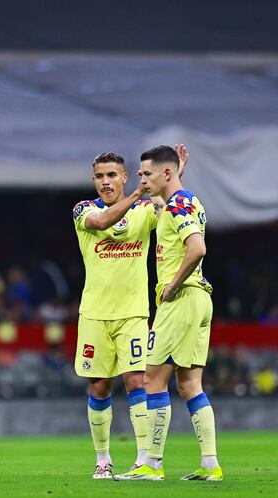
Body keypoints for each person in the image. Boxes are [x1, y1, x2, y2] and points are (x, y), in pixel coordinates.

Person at [73, 149, 188, 479]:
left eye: (112, 175)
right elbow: (103, 222)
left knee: (137, 380)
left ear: (124, 177)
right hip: (94, 314)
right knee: (99, 386)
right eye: (99, 176)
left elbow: (173, 210)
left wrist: (173, 175)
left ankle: (142, 459)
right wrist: (140, 192)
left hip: (134, 313)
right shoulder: (83, 210)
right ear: (93, 180)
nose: (105, 182)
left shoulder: (147, 211)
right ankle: (103, 459)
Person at [114, 145, 222, 481]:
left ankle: (152, 464)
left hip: (182, 299)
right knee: (189, 384)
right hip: (201, 299)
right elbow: (175, 200)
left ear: (165, 173)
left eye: (146, 173)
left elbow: (198, 247)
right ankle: (210, 465)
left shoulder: (175, 204)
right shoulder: (188, 199)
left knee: (151, 379)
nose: (142, 179)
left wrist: (173, 284)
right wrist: (178, 172)